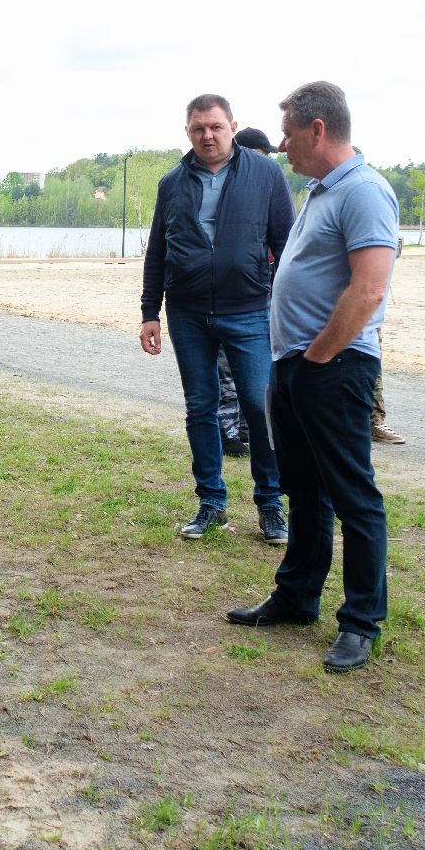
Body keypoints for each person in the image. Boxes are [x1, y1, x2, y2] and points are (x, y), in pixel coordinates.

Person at [227, 81, 399, 674]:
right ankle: (297, 598)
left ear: (318, 129)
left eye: (290, 133)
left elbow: (370, 287)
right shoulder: (321, 193)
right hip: (297, 364)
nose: (282, 145)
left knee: (353, 494)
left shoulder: (366, 193)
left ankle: (360, 622)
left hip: (335, 365)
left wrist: (320, 357)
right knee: (303, 487)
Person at [140, 97, 293, 544]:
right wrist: (151, 311)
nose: (207, 135)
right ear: (187, 132)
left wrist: (284, 310)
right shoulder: (172, 183)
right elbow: (157, 251)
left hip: (248, 310)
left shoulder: (265, 174)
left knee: (258, 407)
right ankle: (211, 502)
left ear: (233, 127)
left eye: (215, 127)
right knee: (200, 406)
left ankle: (270, 505)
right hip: (187, 313)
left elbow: (286, 245)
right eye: (197, 128)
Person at [215, 127, 279, 457]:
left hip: (262, 287)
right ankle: (226, 431)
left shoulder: (266, 185)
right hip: (232, 292)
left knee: (255, 366)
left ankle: (242, 426)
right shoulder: (227, 185)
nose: (266, 161)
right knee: (226, 365)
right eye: (261, 154)